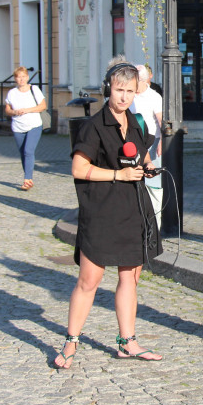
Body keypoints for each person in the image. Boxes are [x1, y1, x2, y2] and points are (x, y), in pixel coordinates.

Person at [53, 62, 161, 368]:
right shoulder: (93, 126)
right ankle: (71, 342)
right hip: (101, 211)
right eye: (119, 90)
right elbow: (79, 168)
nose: (124, 97)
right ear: (107, 89)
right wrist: (118, 175)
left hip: (133, 209)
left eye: (129, 91)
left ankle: (128, 342)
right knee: (89, 280)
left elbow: (143, 156)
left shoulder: (137, 123)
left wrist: (148, 167)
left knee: (130, 277)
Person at [4, 66, 46, 191]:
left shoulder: (34, 89)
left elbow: (42, 106)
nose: (21, 79)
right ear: (15, 79)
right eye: (18, 77)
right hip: (18, 126)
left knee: (28, 151)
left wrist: (27, 110)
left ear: (27, 77)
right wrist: (14, 112)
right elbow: (7, 110)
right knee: (23, 153)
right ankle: (28, 176)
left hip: (34, 125)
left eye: (23, 77)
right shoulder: (12, 93)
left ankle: (27, 179)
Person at [133, 64, 164, 228]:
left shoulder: (154, 97)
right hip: (131, 145)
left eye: (135, 81)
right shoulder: (130, 96)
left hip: (151, 143)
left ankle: (154, 225)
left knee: (153, 186)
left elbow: (162, 122)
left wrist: (162, 143)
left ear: (144, 81)